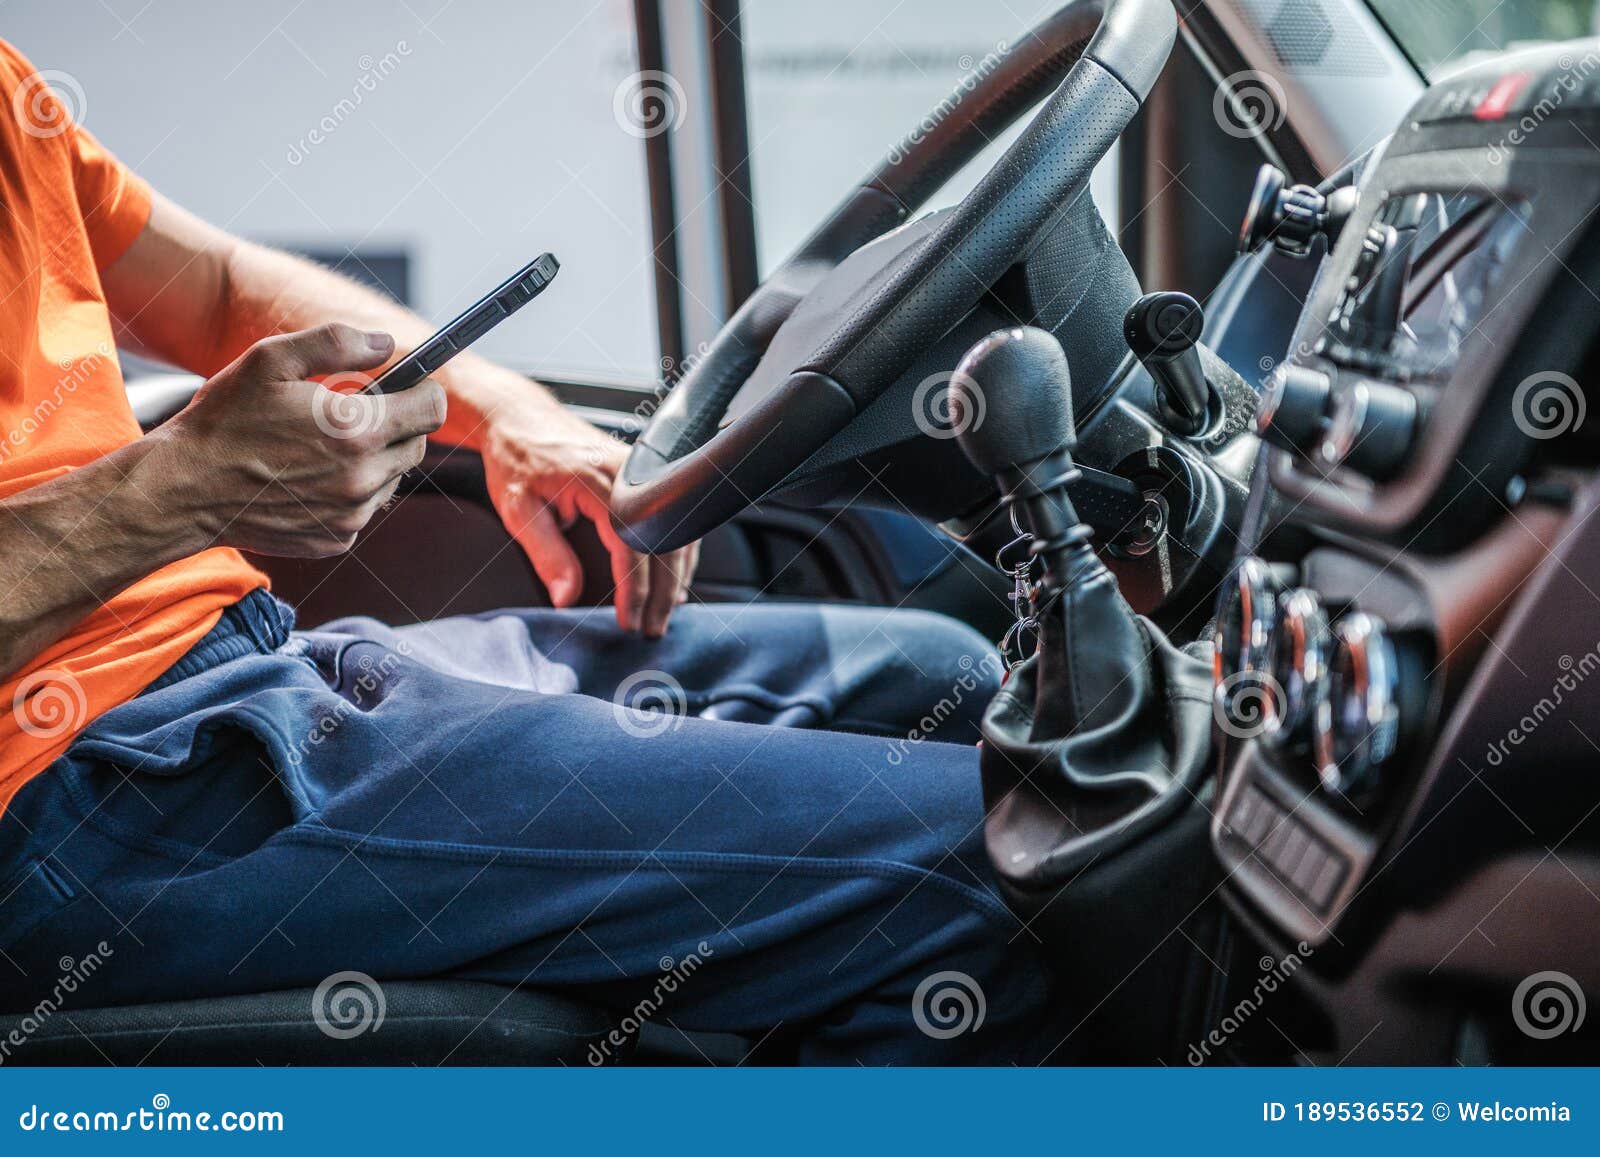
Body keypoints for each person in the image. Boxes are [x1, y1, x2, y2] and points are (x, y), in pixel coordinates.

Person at [0, 39, 1057, 1063]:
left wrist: (506, 411)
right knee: (998, 861)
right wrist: (181, 487)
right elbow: (176, 465)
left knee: (936, 673)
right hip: (70, 792)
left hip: (229, 666)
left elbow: (219, 286)